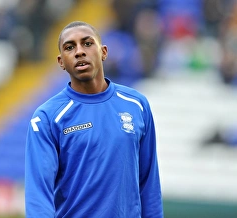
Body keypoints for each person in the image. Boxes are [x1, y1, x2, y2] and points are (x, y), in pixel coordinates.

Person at [25, 21, 163, 218]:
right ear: (61, 61)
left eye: (87, 44)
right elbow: (38, 195)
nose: (79, 51)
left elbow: (149, 184)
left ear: (104, 52)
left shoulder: (137, 105)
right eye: (70, 47)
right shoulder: (47, 118)